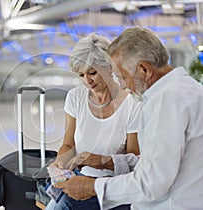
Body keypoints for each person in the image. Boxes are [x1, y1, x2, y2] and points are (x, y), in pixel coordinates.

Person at [54, 26, 203, 210]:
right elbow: (152, 162)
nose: (123, 85)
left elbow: (151, 183)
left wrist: (93, 187)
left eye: (122, 76)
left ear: (144, 70)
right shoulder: (187, 89)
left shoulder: (166, 101)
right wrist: (102, 161)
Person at [45, 33, 142, 210]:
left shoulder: (132, 104)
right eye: (81, 75)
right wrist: (60, 164)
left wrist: (98, 161)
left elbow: (134, 161)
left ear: (110, 67)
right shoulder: (75, 97)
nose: (87, 81)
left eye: (92, 73)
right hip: (79, 178)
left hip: (112, 187)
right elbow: (68, 144)